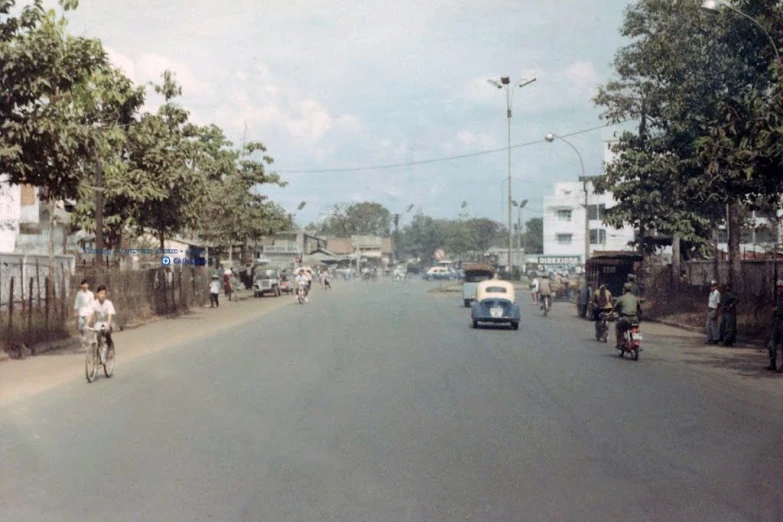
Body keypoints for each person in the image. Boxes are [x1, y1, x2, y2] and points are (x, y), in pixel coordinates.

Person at [86, 284, 116, 360]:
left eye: (104, 293)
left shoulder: (108, 303)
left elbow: (110, 315)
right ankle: (97, 353)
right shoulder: (93, 303)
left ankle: (109, 348)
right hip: (98, 323)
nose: (103, 295)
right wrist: (87, 324)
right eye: (101, 293)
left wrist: (108, 324)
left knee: (106, 332)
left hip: (107, 322)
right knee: (97, 336)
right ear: (97, 294)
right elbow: (91, 315)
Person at [614, 283, 640, 348]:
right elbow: (639, 308)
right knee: (635, 328)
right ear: (631, 290)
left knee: (618, 327)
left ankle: (620, 342)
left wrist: (611, 313)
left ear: (624, 290)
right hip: (635, 319)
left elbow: (615, 307)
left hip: (625, 319)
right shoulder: (635, 298)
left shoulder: (621, 298)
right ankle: (636, 340)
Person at [767, 280, 783, 372]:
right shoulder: (778, 297)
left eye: (781, 287)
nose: (779, 288)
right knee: (771, 344)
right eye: (778, 287)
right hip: (777, 321)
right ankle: (772, 363)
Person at [706, 280, 721, 345]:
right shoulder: (710, 293)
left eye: (713, 286)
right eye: (711, 286)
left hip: (714, 310)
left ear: (716, 286)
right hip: (709, 310)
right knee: (708, 326)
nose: (711, 287)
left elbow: (718, 304)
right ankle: (710, 339)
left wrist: (716, 313)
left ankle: (716, 339)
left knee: (714, 326)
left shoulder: (717, 293)